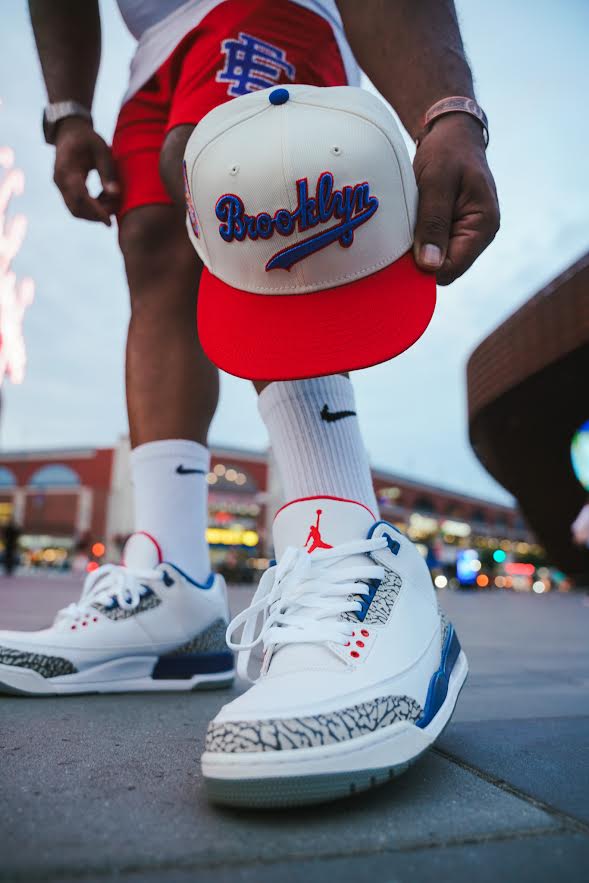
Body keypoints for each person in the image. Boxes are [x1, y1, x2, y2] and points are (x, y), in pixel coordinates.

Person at [0, 0, 498, 804]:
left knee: (256, 176)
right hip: (149, 48)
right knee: (155, 247)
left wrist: (446, 110)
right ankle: (174, 584)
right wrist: (67, 111)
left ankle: (348, 544)